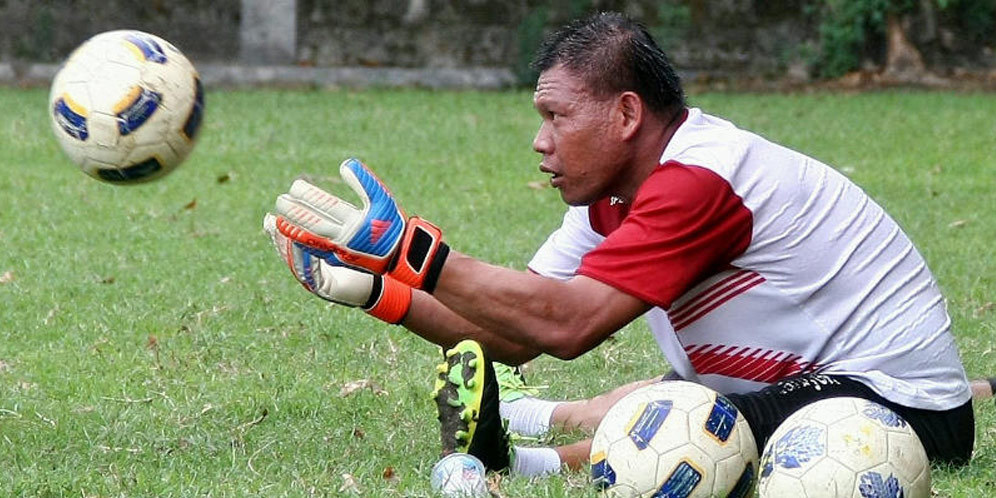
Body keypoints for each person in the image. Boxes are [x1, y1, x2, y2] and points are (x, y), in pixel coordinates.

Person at [263, 11, 992, 480]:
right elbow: (515, 335)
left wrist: (410, 251)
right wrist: (372, 288)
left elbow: (567, 325)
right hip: (810, 382)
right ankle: (522, 436)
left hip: (903, 408)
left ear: (625, 114)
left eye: (556, 115)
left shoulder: (700, 179)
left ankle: (520, 463)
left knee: (694, 422)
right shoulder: (610, 192)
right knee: (679, 401)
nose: (539, 140)